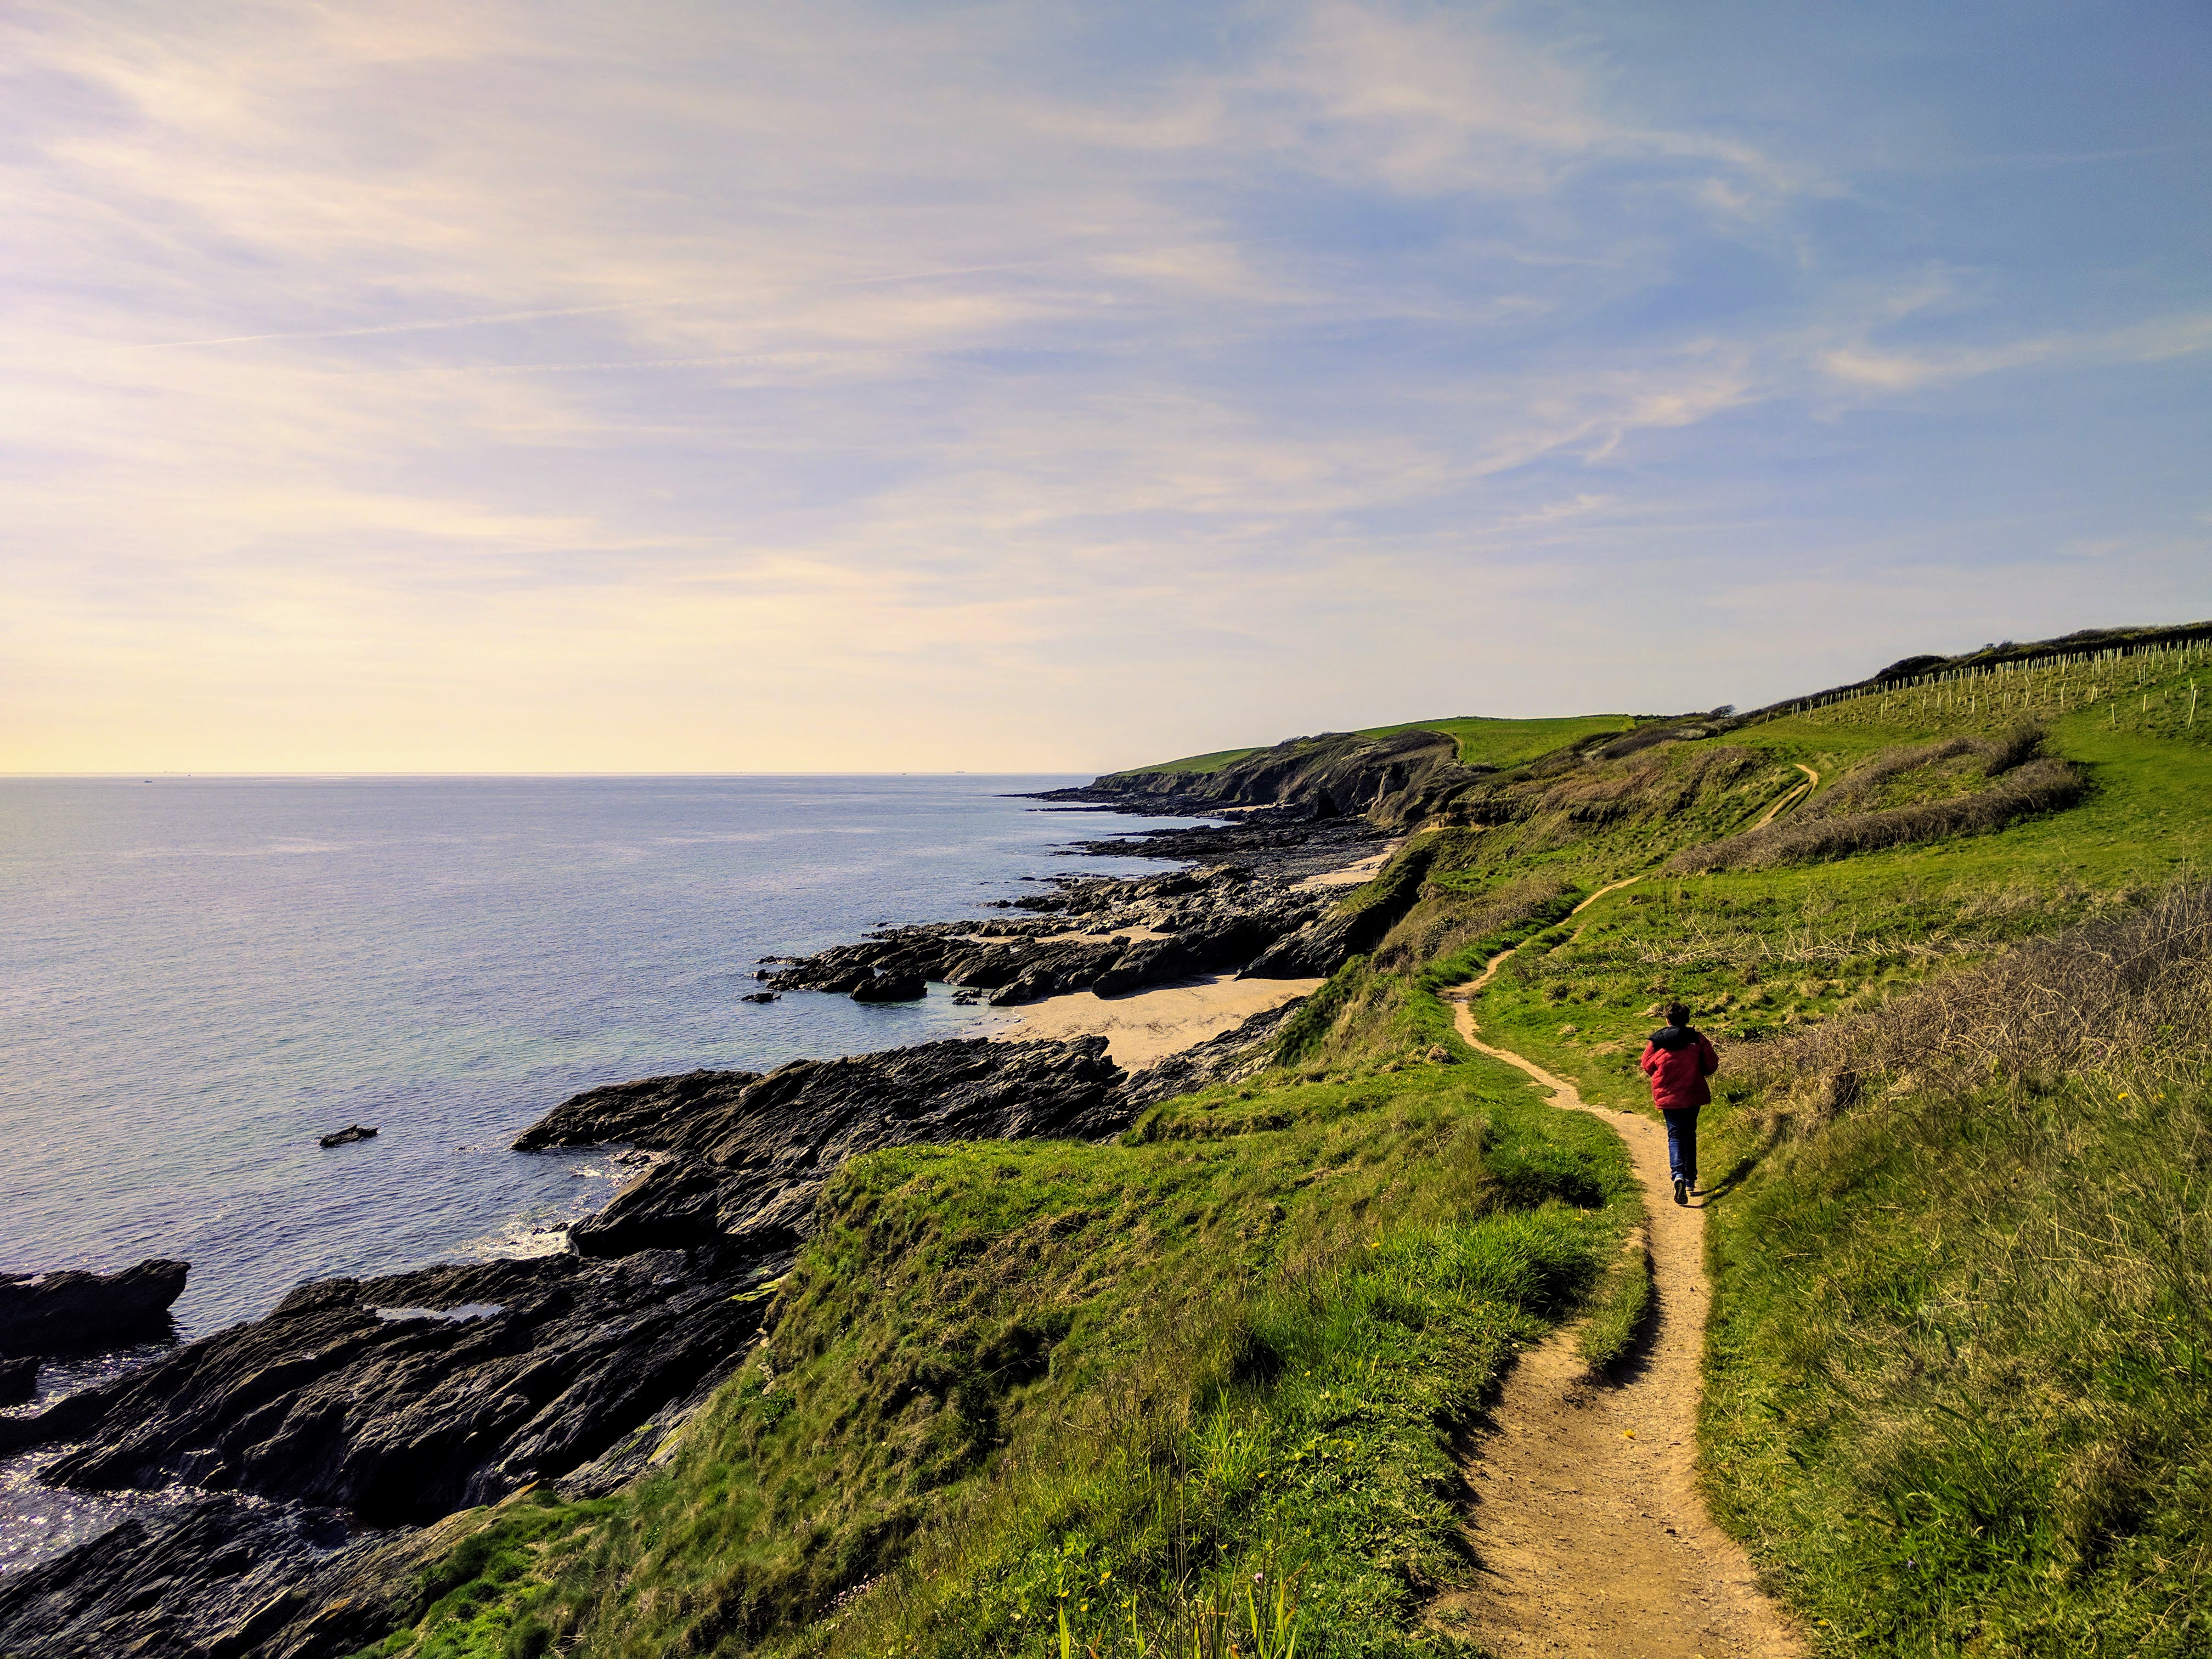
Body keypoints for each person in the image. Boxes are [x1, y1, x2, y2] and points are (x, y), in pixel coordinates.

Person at [1640, 1001, 1719, 1206]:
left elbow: (1647, 1065)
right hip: (1693, 1092)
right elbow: (1711, 1065)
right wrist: (1698, 1070)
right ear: (1688, 1020)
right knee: (1690, 1133)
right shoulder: (1697, 1038)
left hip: (1668, 1094)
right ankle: (1691, 1180)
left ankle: (1678, 1176)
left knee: (1675, 1134)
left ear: (1667, 1020)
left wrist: (1661, 1075)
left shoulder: (1657, 1040)